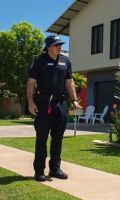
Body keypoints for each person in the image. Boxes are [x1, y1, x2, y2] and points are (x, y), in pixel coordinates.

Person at [27, 35, 82, 182]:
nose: (59, 47)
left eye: (60, 44)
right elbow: (31, 83)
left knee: (58, 137)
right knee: (42, 138)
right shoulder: (39, 61)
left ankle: (55, 168)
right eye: (56, 44)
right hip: (44, 103)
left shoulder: (65, 61)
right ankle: (39, 171)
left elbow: (70, 82)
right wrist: (31, 102)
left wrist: (75, 100)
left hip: (60, 103)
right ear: (49, 47)